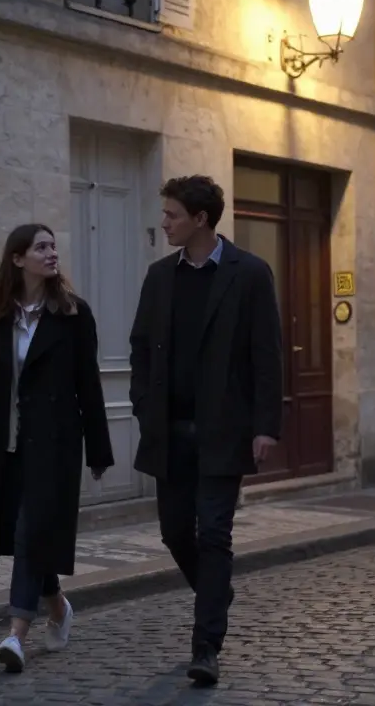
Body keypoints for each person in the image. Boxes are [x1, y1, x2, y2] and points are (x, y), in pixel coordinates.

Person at [128, 175, 284, 686]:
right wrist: (142, 404)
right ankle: (216, 590)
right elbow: (140, 344)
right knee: (176, 532)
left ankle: (206, 646)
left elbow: (267, 356)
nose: (164, 222)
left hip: (225, 430)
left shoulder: (250, 274)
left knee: (214, 533)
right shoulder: (158, 277)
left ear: (200, 219)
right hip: (170, 432)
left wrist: (266, 426)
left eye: (172, 215)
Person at [0, 223, 114, 674]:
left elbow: (88, 386)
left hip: (54, 444)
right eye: (41, 247)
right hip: (3, 445)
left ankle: (15, 634)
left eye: (54, 246)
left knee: (28, 532)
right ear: (18, 259)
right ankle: (57, 606)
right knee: (29, 534)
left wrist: (99, 450)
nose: (52, 253)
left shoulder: (74, 315)